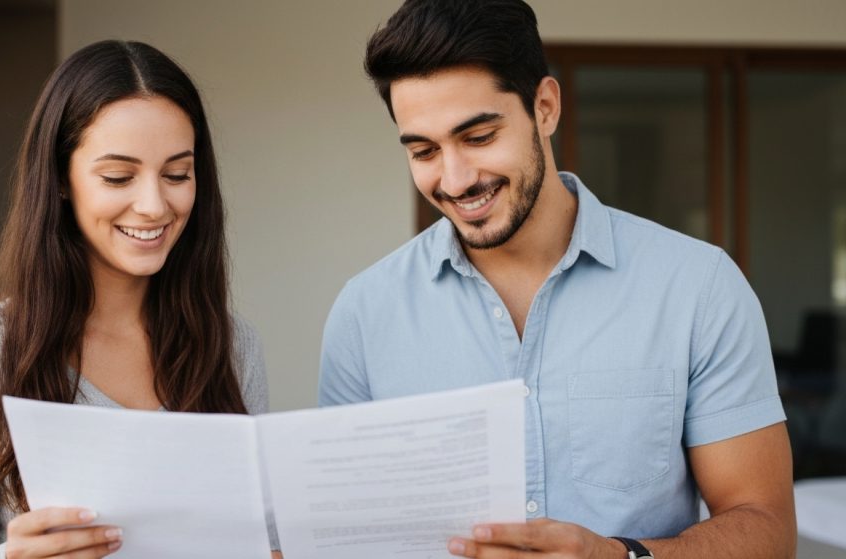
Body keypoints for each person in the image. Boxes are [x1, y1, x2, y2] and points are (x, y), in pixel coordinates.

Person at [318, 1, 795, 558]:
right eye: (424, 150)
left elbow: (767, 530)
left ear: (544, 107)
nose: (454, 179)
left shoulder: (700, 287)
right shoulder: (365, 313)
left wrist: (617, 557)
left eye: (478, 137)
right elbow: (344, 536)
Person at [0, 40, 277, 558]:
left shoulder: (233, 345)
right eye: (118, 177)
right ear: (61, 179)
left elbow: (260, 538)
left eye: (177, 174)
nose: (154, 205)